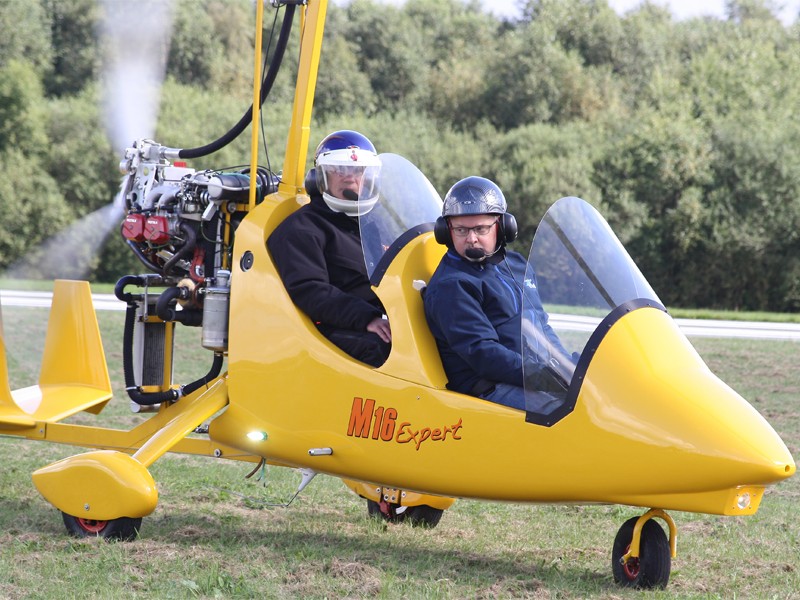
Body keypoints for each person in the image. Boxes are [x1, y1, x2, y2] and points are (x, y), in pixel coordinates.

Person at [423, 176, 573, 412]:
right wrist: (539, 375)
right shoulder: (452, 285)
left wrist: (567, 367)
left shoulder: (517, 265)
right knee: (567, 414)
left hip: (526, 376)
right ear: (446, 232)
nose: (471, 238)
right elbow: (483, 353)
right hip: (489, 388)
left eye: (481, 228)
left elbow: (541, 327)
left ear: (502, 227)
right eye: (461, 230)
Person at [267, 130, 391, 367]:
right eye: (339, 170)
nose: (349, 177)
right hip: (333, 329)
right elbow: (310, 291)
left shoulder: (376, 223)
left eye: (357, 170)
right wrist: (367, 318)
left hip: (381, 318)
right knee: (385, 350)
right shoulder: (302, 229)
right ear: (319, 177)